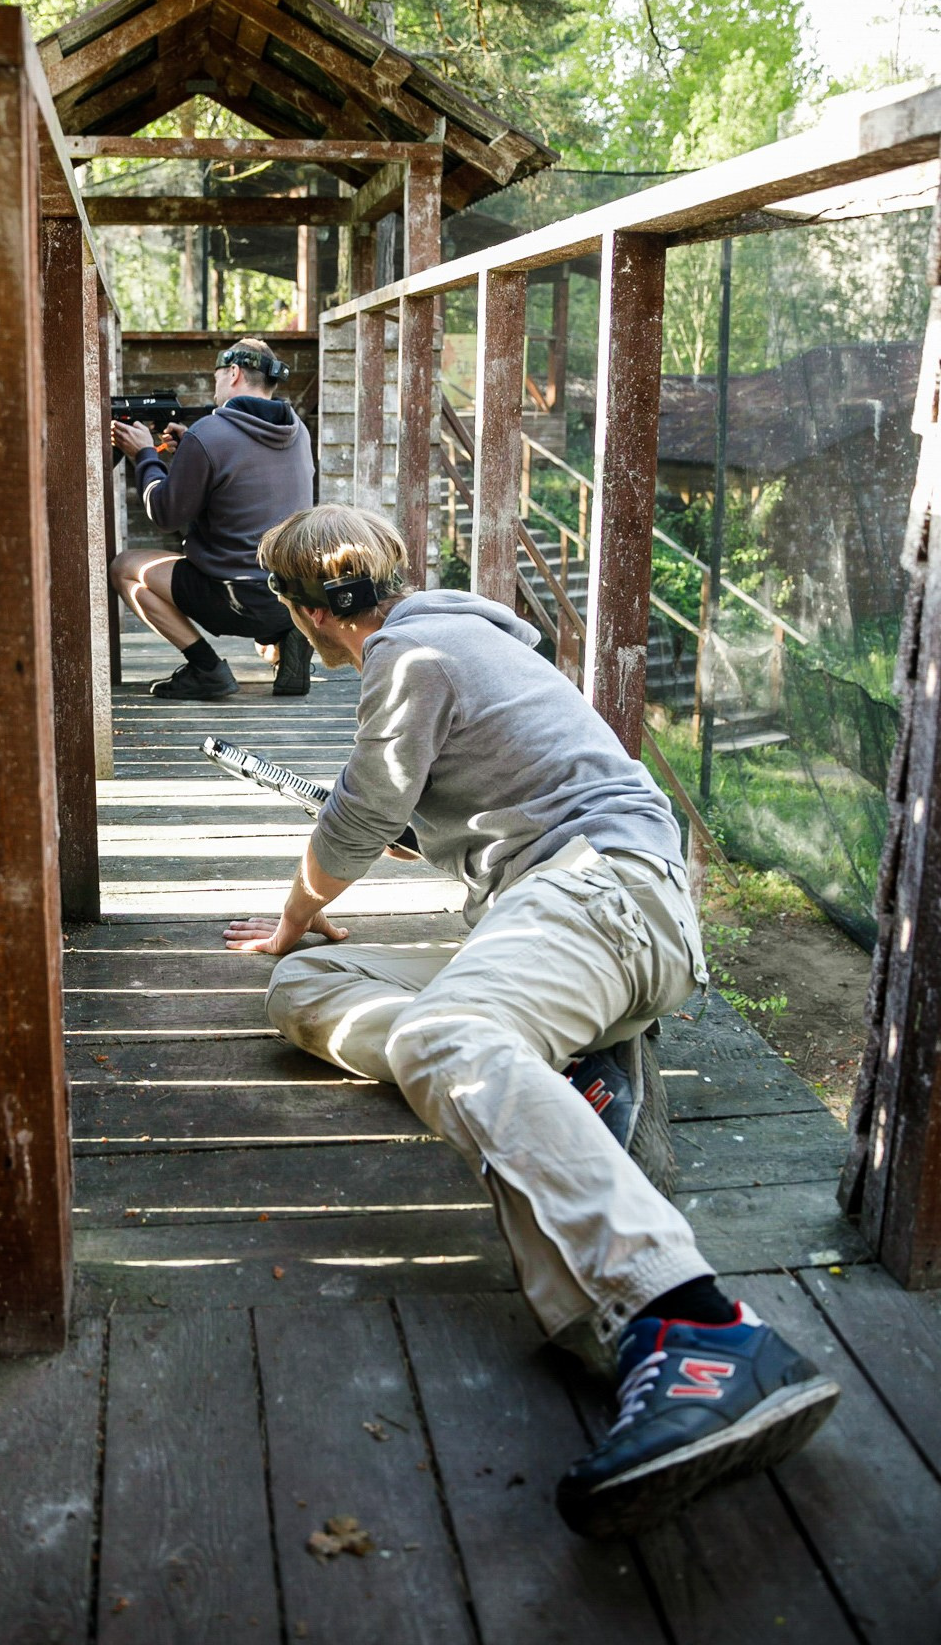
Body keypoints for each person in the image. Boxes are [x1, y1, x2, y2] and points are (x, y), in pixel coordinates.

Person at [224, 503, 840, 1539]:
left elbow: (360, 815)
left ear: (303, 610)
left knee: (440, 1040)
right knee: (303, 995)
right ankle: (569, 1074)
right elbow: (465, 806)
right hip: (564, 906)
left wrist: (296, 914)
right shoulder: (461, 636)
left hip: (600, 896)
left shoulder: (410, 655)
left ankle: (691, 1327)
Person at [110, 338, 315, 701]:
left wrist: (144, 454)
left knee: (126, 568)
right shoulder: (297, 431)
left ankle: (206, 669)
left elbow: (164, 514)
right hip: (291, 597)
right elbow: (243, 474)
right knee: (265, 634)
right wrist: (192, 445)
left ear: (234, 373)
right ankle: (288, 637)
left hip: (234, 599)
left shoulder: (211, 433)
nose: (215, 385)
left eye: (218, 375)